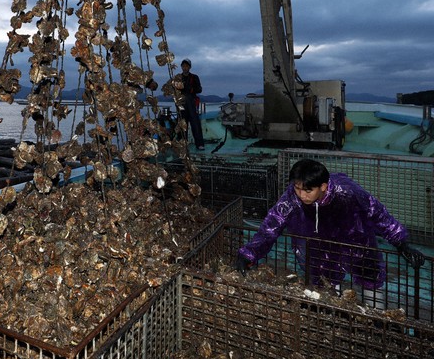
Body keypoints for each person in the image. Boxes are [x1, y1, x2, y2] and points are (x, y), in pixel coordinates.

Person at [235, 159, 425, 301]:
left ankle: (375, 322)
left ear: (323, 187)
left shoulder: (348, 192)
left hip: (356, 240)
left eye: (307, 191)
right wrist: (249, 253)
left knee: (371, 279)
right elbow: (273, 222)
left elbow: (378, 213)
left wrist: (402, 244)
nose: (301, 195)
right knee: (323, 286)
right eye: (297, 188)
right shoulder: (293, 197)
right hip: (318, 248)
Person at [175, 58, 204, 150]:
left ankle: (199, 144)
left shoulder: (194, 77)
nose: (185, 67)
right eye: (183, 66)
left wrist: (191, 89)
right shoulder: (177, 77)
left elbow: (199, 89)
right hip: (181, 103)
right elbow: (173, 89)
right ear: (181, 67)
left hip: (191, 103)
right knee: (182, 123)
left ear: (190, 67)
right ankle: (182, 144)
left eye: (187, 66)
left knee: (195, 123)